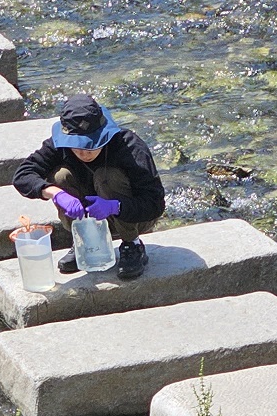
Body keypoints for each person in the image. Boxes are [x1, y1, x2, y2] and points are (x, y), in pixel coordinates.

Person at [13, 92, 165, 280]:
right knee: (60, 176)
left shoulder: (129, 146)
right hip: (86, 217)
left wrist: (116, 206)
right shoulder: (59, 146)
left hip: (131, 215)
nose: (84, 153)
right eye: (77, 147)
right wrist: (56, 193)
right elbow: (22, 175)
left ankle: (132, 244)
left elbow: (155, 204)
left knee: (106, 176)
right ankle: (82, 242)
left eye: (91, 146)